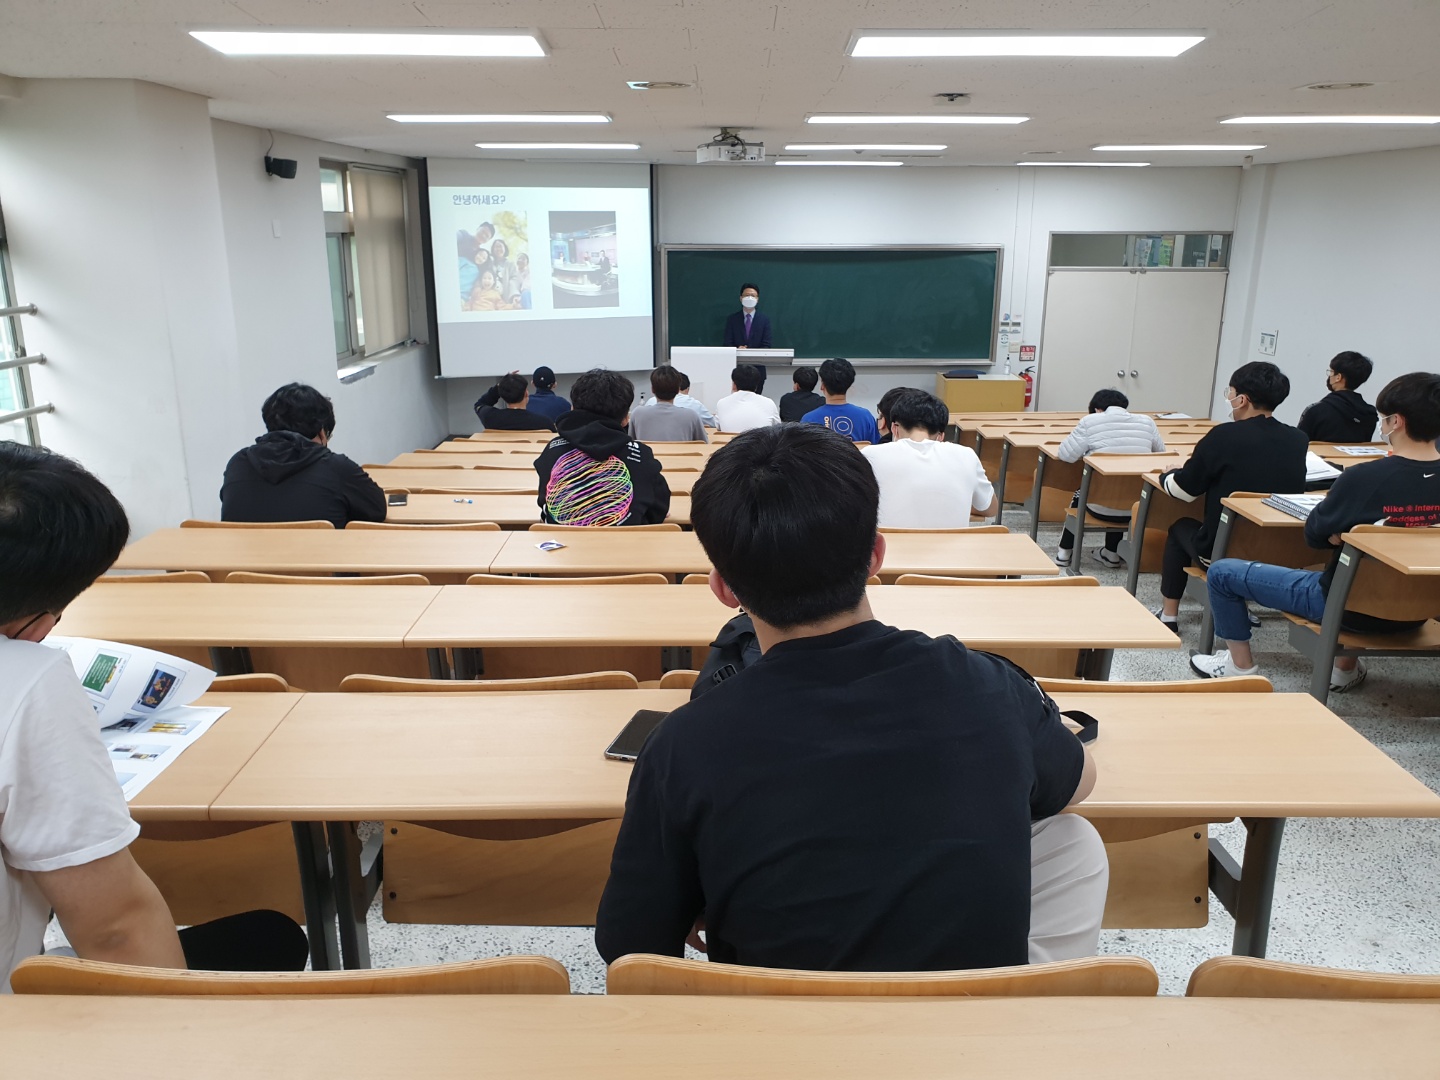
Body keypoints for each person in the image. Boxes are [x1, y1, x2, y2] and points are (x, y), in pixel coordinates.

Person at [594, 424, 1106, 971]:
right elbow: (1078, 783)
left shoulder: (682, 742)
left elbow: (629, 947)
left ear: (722, 588)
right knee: (1075, 839)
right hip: (968, 1019)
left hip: (765, 1020)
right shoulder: (987, 684)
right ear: (875, 555)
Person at [0, 442, 310, 989]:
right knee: (270, 938)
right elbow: (115, 930)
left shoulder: (241, 464)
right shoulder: (26, 679)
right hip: (15, 1020)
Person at [1191, 372, 1440, 688]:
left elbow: (1314, 535)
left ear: (1396, 422)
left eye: (1384, 418)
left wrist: (1343, 536)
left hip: (1343, 606)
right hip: (1421, 610)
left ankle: (1238, 667)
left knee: (1222, 573)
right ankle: (1345, 669)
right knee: (1364, 566)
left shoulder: (1363, 478)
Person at [1152, 362, 1309, 633]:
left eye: (1231, 393)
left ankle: (1169, 614)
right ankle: (1240, 604)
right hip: (1280, 553)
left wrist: (1169, 474)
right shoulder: (1298, 438)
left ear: (1242, 400)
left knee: (1179, 528)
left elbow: (1184, 491)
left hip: (1223, 552)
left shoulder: (1223, 435)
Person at [221, 383, 386, 529]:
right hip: (320, 555)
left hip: (246, 555)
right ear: (322, 433)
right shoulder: (336, 467)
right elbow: (377, 510)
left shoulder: (238, 463)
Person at [535, 368, 671, 526]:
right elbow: (659, 510)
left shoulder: (552, 451)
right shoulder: (641, 455)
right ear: (626, 418)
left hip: (562, 541)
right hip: (627, 541)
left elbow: (544, 505)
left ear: (572, 408)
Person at [1053, 389, 1167, 568]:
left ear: (1097, 410)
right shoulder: (1147, 422)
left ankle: (1064, 553)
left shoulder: (1089, 422)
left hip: (1098, 506)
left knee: (1082, 493)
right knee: (1124, 487)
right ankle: (1111, 553)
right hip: (1138, 508)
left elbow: (1065, 455)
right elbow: (1161, 455)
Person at [861, 390, 998, 529]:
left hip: (889, 543)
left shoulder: (870, 455)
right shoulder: (966, 455)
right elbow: (990, 509)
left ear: (894, 428)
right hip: (953, 544)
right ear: (941, 436)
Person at [1297, 351, 1379, 443]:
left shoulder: (1315, 411)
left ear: (1338, 377)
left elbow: (1299, 444)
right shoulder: (1370, 414)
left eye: (1331, 372)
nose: (1329, 376)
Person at [802, 358, 880, 444]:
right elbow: (874, 448)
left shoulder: (809, 420)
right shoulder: (866, 417)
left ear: (822, 386)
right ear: (849, 385)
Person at [630, 366, 708, 443]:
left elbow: (631, 442)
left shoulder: (637, 414)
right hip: (680, 452)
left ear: (652, 389)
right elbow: (703, 444)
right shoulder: (692, 416)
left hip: (649, 452)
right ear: (678, 390)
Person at [722, 283, 773, 391]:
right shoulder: (732, 319)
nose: (750, 298)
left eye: (753, 295)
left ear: (757, 299)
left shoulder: (764, 320)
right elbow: (727, 343)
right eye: (746, 295)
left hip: (758, 371)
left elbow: (766, 345)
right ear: (741, 298)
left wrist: (751, 352)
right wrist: (737, 349)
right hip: (737, 370)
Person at [473, 372, 556, 432]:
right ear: (526, 393)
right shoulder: (545, 423)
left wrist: (500, 385)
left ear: (502, 395)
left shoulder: (490, 418)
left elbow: (480, 404)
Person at [714, 364, 781, 433]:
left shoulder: (722, 403)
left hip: (729, 440)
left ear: (734, 385)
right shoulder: (769, 403)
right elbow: (778, 430)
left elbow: (718, 427)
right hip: (759, 440)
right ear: (756, 386)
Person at [491, 238, 520, 304]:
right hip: (491, 298)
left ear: (505, 248)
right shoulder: (489, 264)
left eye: (500, 246)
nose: (498, 249)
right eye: (496, 247)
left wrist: (514, 295)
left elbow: (514, 280)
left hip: (505, 297)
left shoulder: (510, 264)